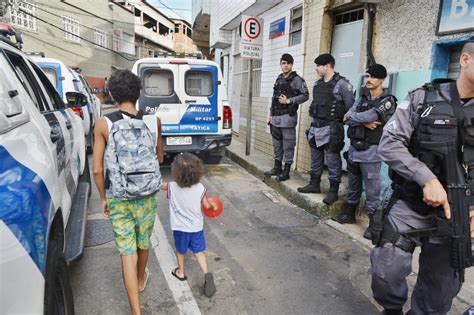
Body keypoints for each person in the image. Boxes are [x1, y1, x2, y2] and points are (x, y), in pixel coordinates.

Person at [370, 38, 474, 315]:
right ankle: (391, 309)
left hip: (459, 212)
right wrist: (426, 178)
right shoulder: (423, 98)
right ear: (464, 60)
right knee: (386, 268)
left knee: (439, 291)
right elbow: (389, 143)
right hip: (411, 202)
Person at [92, 69, 164, 315]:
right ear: (139, 94)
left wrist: (103, 198)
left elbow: (97, 170)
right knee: (143, 243)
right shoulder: (154, 121)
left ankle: (136, 312)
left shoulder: (104, 124)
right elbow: (160, 157)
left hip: (119, 198)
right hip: (147, 196)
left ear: (111, 95)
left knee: (126, 251)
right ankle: (141, 278)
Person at [332, 64, 396, 240]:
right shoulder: (362, 99)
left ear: (382, 80)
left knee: (372, 191)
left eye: (373, 77)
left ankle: (373, 226)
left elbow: (368, 117)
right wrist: (360, 121)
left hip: (371, 152)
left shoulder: (387, 100)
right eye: (367, 76)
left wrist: (356, 119)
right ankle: (349, 215)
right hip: (354, 150)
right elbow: (345, 117)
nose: (368, 80)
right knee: (353, 187)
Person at [297, 53, 355, 205]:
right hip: (316, 126)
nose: (316, 69)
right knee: (315, 158)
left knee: (332, 160)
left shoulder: (342, 84)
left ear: (327, 66)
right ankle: (314, 184)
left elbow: (351, 106)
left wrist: (346, 118)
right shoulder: (317, 84)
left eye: (318, 66)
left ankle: (333, 192)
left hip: (332, 128)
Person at [161, 153, 217, 298]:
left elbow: (159, 185)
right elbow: (207, 206)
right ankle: (206, 274)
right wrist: (213, 207)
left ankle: (181, 272)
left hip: (180, 229)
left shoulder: (172, 187)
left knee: (181, 251)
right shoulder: (200, 188)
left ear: (176, 172)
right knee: (199, 252)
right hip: (196, 228)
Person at [264, 53, 309, 181]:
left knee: (288, 145)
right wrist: (271, 115)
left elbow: (305, 95)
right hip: (276, 118)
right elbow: (274, 98)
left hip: (288, 118)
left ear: (292, 64)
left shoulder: (297, 80)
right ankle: (277, 168)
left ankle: (286, 171)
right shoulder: (279, 78)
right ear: (280, 64)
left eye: (288, 63)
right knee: (277, 144)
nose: (285, 65)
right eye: (283, 63)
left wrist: (289, 101)